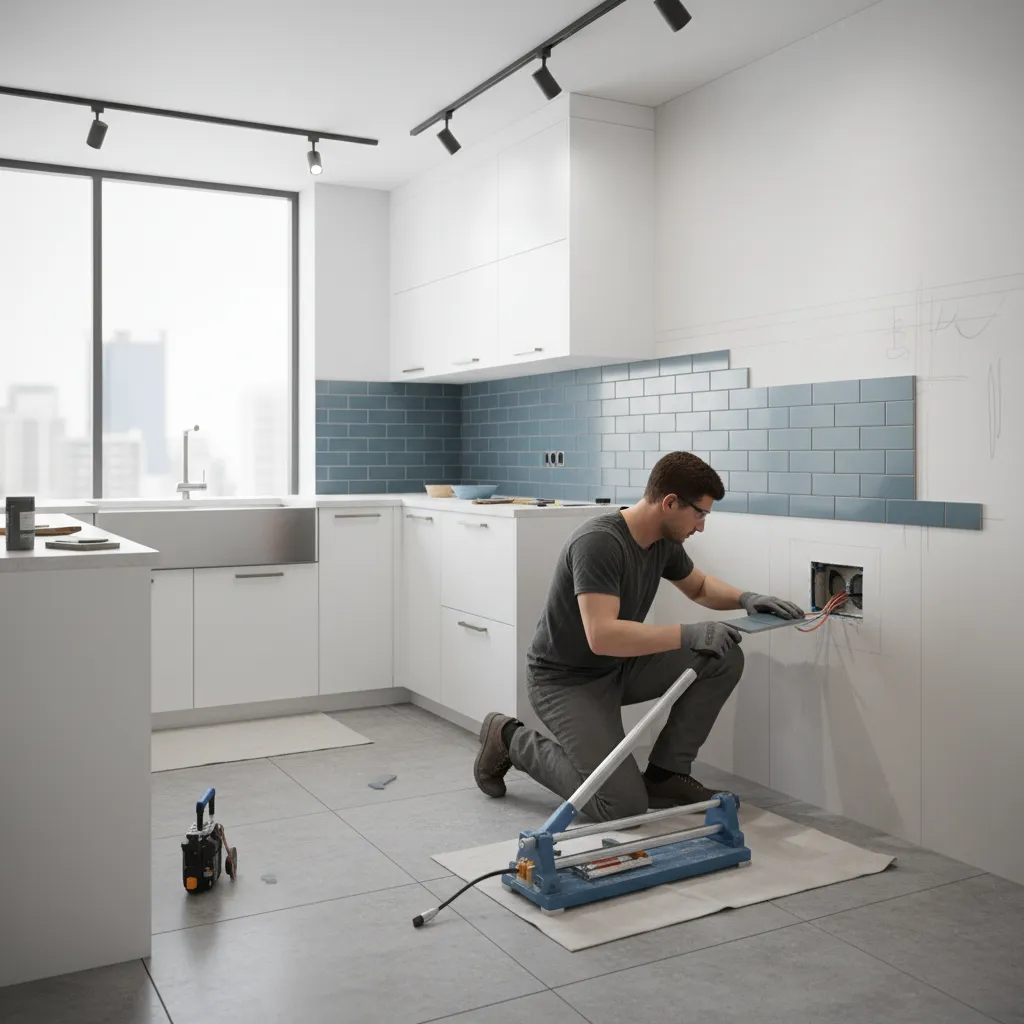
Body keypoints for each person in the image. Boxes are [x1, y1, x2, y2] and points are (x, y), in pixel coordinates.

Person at [473, 450, 804, 822]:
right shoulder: (599, 542)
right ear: (670, 503)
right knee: (621, 805)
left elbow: (699, 587)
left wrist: (747, 599)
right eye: (700, 513)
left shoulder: (662, 541)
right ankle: (509, 739)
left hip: (619, 668)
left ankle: (666, 776)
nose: (701, 526)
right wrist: (688, 633)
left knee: (724, 655)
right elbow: (602, 635)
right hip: (565, 681)